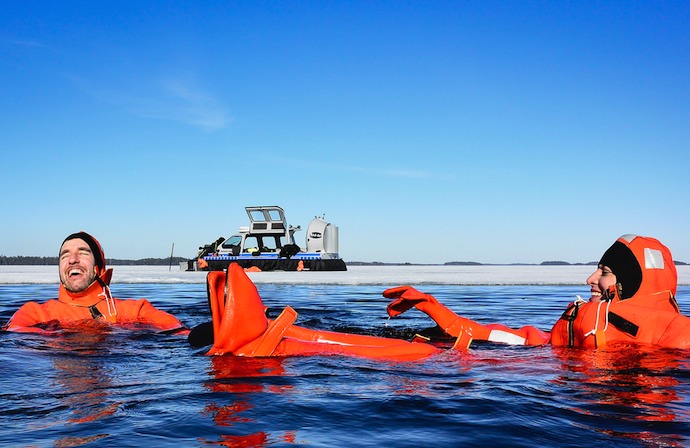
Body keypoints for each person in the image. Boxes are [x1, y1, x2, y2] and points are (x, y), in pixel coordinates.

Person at [384, 234, 690, 349]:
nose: (590, 279)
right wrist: (437, 310)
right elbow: (520, 339)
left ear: (634, 284)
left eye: (605, 273)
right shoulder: (583, 329)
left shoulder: (679, 336)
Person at [3, 231, 186, 334]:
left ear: (98, 268)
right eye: (65, 255)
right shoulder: (34, 313)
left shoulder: (136, 309)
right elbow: (16, 339)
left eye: (82, 252)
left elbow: (178, 332)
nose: (72, 259)